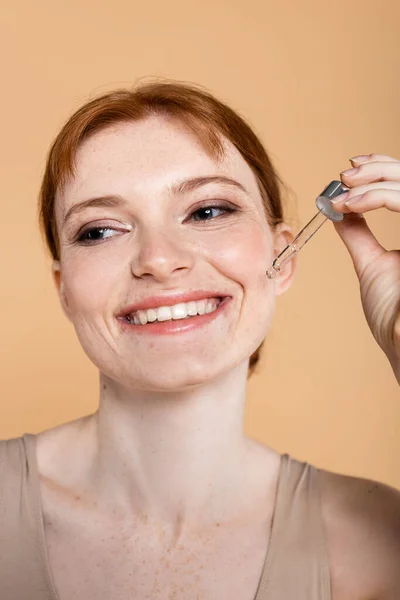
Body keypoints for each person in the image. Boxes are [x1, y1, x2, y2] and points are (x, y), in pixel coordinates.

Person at [0, 80, 399, 600]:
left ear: (282, 260)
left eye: (208, 212)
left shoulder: (380, 543)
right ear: (64, 290)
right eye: (100, 230)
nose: (160, 260)